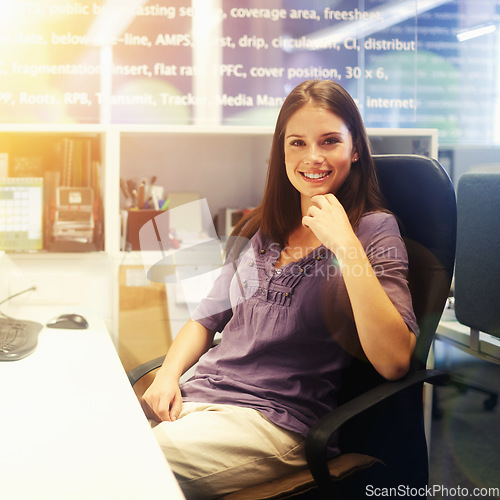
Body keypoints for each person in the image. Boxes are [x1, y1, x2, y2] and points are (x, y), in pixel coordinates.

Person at [141, 79, 418, 499]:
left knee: (127, 466)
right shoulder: (263, 230)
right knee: (88, 438)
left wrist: (344, 243)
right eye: (297, 143)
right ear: (282, 151)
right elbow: (204, 319)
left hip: (272, 420)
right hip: (200, 395)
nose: (313, 157)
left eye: (329, 141)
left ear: (355, 148)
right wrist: (166, 376)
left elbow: (395, 361)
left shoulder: (375, 230)